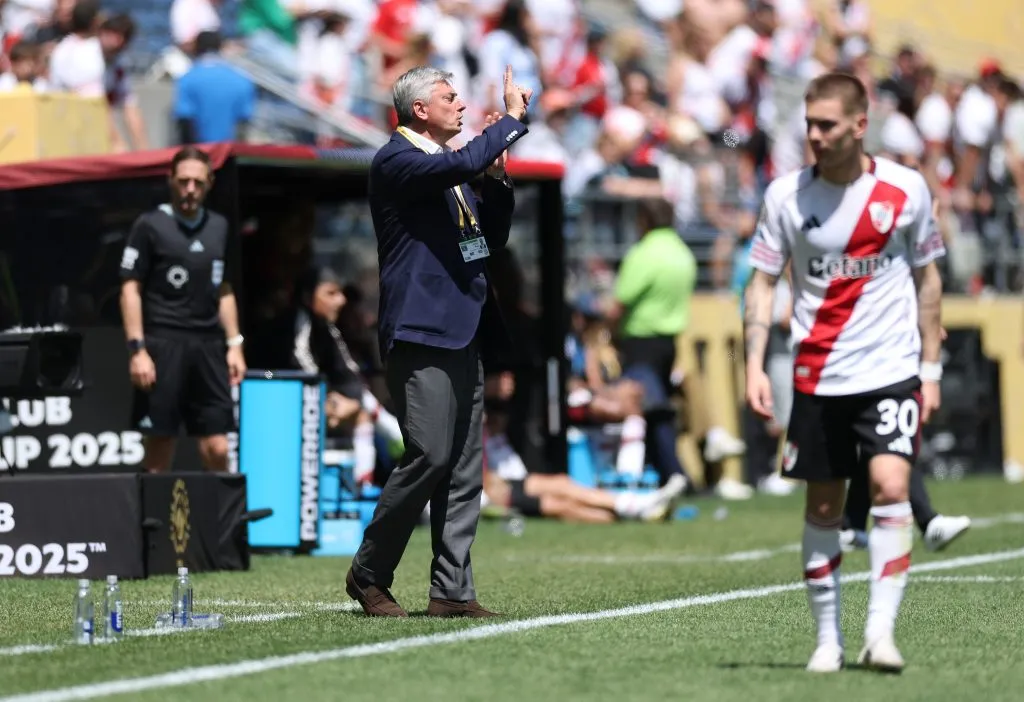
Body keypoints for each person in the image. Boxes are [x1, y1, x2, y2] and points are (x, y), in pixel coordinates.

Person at [743, 73, 945, 674]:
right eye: (809, 123)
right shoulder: (785, 197)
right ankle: (827, 640)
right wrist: (753, 363)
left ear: (860, 125)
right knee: (824, 510)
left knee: (889, 488)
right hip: (817, 375)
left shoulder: (906, 190)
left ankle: (879, 634)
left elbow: (928, 281)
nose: (815, 135)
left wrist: (929, 369)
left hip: (890, 368)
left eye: (827, 124)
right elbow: (762, 283)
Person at [344, 65, 532, 619]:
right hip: (420, 329)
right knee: (429, 454)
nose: (463, 106)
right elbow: (462, 160)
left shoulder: (448, 172)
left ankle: (451, 590)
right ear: (419, 109)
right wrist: (513, 121)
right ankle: (369, 572)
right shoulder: (397, 159)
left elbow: (488, 240)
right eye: (451, 97)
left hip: (462, 331)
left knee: (464, 468)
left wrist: (496, 174)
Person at [119, 146, 246, 473]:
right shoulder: (150, 225)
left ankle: (224, 523)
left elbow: (225, 289)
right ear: (171, 181)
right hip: (163, 344)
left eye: (198, 183)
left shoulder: (219, 227)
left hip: (209, 348)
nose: (190, 189)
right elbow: (130, 289)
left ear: (210, 183)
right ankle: (153, 523)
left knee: (217, 446)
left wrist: (234, 344)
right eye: (184, 181)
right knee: (160, 445)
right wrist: (137, 349)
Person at [291, 266, 404, 484]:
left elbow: (348, 372)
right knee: (355, 411)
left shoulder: (327, 328)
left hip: (323, 400)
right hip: (288, 402)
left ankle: (362, 487)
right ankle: (393, 433)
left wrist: (346, 400)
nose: (341, 301)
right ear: (307, 297)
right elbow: (301, 365)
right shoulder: (297, 324)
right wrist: (328, 398)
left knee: (359, 410)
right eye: (331, 293)